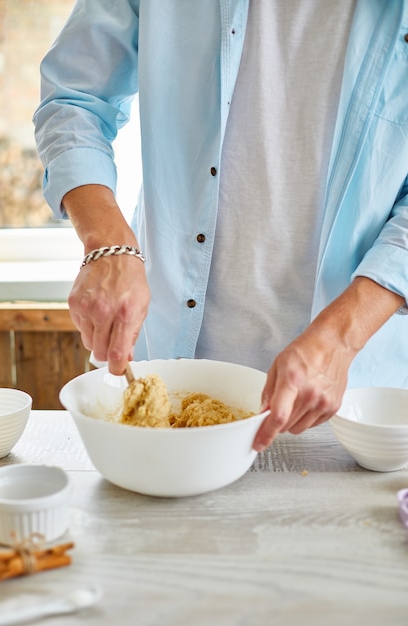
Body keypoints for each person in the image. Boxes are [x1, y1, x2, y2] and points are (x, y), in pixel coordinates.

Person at [33, 0, 408, 452]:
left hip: (354, 403)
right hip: (165, 365)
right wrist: (106, 242)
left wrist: (341, 338)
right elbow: (75, 97)